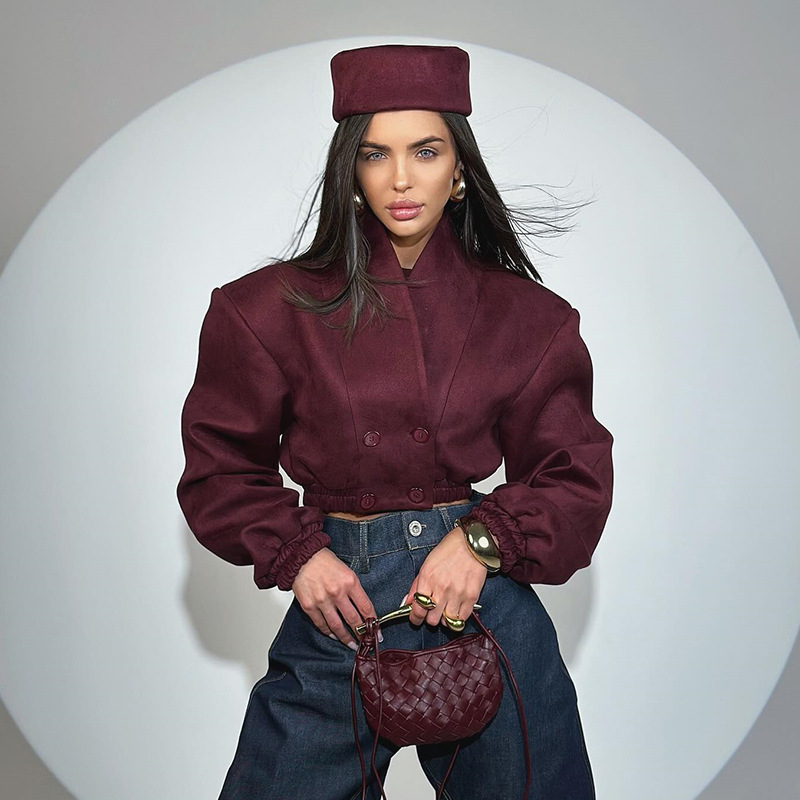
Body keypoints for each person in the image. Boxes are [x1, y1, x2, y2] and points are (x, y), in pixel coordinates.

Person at [177, 43, 614, 800]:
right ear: (350, 169)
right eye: (376, 153)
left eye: (426, 151)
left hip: (480, 607)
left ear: (459, 170)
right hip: (340, 606)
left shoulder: (529, 316)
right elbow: (219, 468)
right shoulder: (263, 309)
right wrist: (300, 558)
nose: (401, 178)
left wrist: (479, 543)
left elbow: (575, 474)